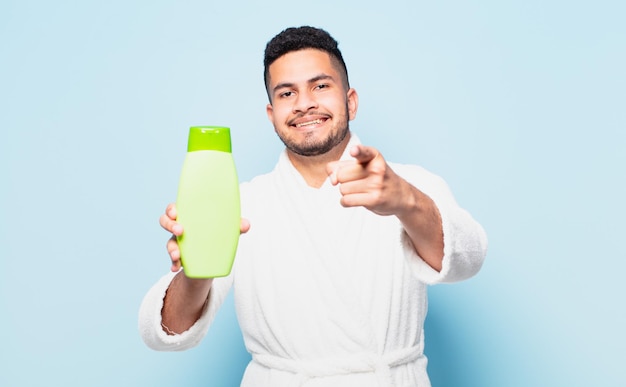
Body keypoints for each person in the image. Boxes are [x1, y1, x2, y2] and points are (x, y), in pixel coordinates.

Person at [139, 26, 487, 387]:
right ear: (272, 113)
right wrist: (196, 269)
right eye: (287, 93)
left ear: (350, 100)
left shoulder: (411, 185)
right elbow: (165, 332)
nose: (304, 103)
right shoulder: (241, 202)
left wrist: (406, 202)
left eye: (320, 86)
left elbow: (468, 259)